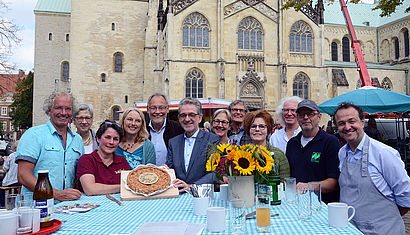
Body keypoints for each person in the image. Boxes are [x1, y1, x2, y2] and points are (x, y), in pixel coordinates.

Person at [333, 102, 410, 234]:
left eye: (352, 121)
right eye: (341, 123)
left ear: (362, 123)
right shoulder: (342, 153)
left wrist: (384, 219)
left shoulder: (383, 153)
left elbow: (406, 196)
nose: (347, 127)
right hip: (350, 230)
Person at [16, 91, 84, 201]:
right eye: (58, 108)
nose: (63, 112)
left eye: (68, 109)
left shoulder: (77, 140)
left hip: (68, 207)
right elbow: (23, 176)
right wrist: (55, 194)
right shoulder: (33, 135)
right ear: (49, 110)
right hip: (36, 207)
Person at [286, 99, 341, 204]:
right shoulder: (292, 144)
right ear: (297, 118)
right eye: (302, 115)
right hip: (297, 204)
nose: (306, 117)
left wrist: (308, 186)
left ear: (319, 117)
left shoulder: (330, 142)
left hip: (322, 206)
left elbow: (335, 182)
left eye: (310, 114)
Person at [166, 97, 220, 192]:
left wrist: (191, 186)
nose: (187, 119)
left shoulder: (212, 140)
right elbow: (170, 169)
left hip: (203, 196)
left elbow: (214, 173)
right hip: (178, 196)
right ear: (179, 118)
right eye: (183, 115)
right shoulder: (173, 142)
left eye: (191, 115)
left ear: (199, 118)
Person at [76, 120, 130, 196]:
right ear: (98, 139)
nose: (111, 142)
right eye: (107, 137)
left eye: (115, 139)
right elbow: (90, 189)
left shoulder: (122, 161)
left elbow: (131, 185)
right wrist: (122, 187)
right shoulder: (87, 160)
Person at [242, 110, 290, 181]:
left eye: (262, 126)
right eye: (253, 126)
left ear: (268, 130)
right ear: (248, 130)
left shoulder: (278, 155)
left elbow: (285, 182)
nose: (257, 129)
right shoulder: (241, 153)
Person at [146, 93, 184, 166]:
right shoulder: (141, 129)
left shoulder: (178, 129)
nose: (157, 112)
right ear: (148, 110)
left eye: (161, 108)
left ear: (167, 109)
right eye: (153, 108)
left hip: (171, 175)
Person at [0, 141, 20, 207]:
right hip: (20, 181)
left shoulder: (12, 156)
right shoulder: (25, 155)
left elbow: (5, 169)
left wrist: (5, 160)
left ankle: (3, 205)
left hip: (12, 181)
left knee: (1, 184)